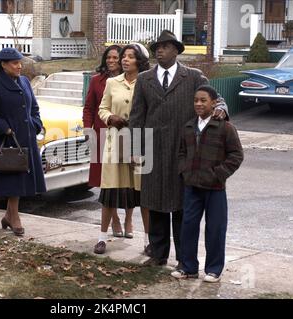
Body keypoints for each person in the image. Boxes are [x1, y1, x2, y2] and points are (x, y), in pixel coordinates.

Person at [129, 30, 228, 267]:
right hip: (153, 150)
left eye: (164, 46)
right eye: (156, 48)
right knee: (154, 204)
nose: (159, 51)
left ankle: (185, 260)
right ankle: (158, 254)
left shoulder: (193, 77)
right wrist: (134, 149)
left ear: (176, 50)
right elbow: (136, 117)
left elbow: (217, 98)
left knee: (183, 207)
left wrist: (222, 109)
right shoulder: (144, 79)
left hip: (184, 151)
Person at [171, 85, 244, 282]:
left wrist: (218, 174)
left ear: (214, 103)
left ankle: (213, 269)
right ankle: (188, 267)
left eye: (203, 100)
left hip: (215, 188)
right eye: (196, 100)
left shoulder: (225, 127)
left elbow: (236, 155)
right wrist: (184, 171)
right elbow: (181, 153)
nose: (198, 104)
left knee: (215, 228)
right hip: (192, 186)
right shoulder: (188, 127)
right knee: (188, 226)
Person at [0, 47, 46, 236]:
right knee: (13, 178)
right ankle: (14, 218)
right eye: (15, 63)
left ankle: (9, 216)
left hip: (26, 137)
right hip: (6, 139)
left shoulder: (24, 81)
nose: (19, 66)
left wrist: (35, 124)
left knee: (21, 177)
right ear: (3, 65)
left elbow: (34, 107)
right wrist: (5, 128)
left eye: (20, 62)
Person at [94, 43, 151, 255]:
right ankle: (101, 238)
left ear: (140, 61)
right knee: (109, 190)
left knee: (144, 193)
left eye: (130, 57)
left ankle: (148, 241)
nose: (124, 60)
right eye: (123, 56)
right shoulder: (111, 82)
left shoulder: (147, 82)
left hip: (141, 143)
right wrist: (110, 118)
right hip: (115, 141)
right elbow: (102, 109)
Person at [83, 45, 124, 237]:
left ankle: (122, 218)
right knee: (105, 180)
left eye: (116, 57)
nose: (112, 61)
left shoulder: (130, 81)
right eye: (109, 57)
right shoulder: (96, 81)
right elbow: (89, 107)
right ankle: (114, 218)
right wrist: (87, 128)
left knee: (121, 179)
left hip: (124, 135)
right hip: (101, 134)